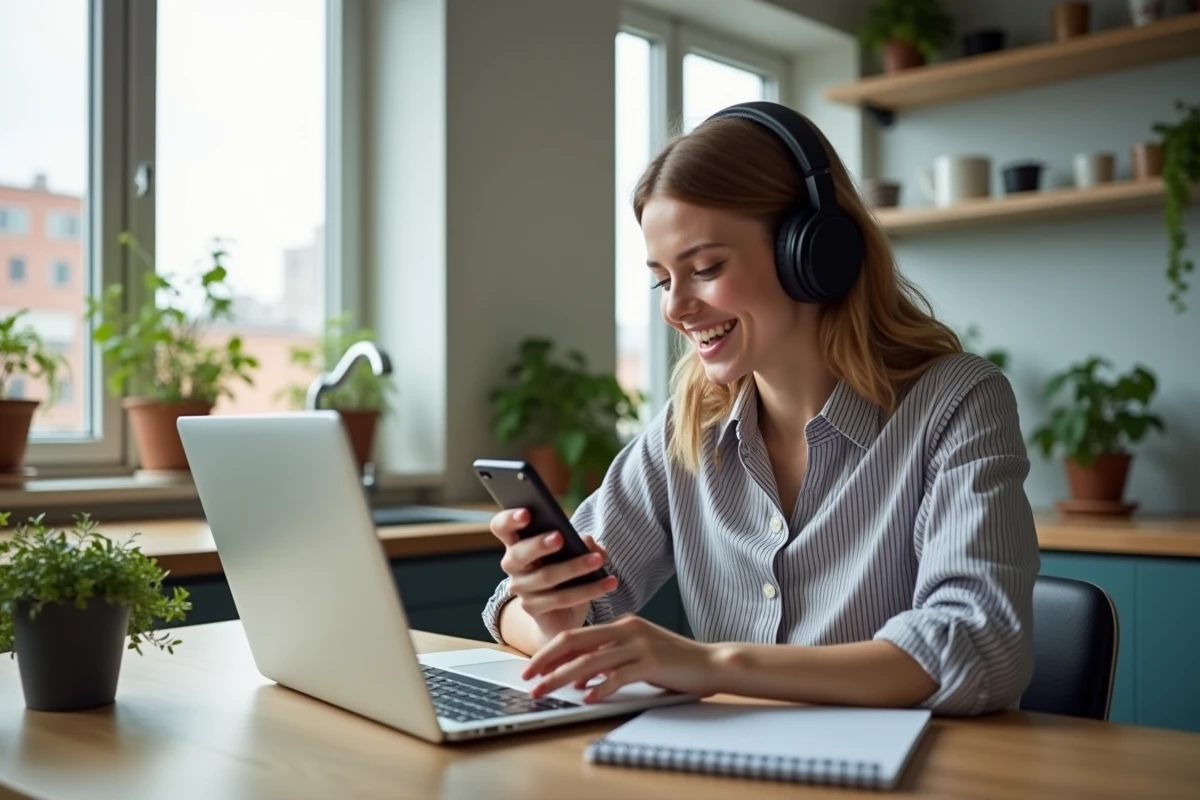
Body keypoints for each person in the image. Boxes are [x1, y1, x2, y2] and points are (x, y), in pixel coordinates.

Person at [480, 101, 1040, 717]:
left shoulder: (957, 402)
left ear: (813, 253)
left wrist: (716, 664)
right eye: (664, 280)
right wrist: (554, 617)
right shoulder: (688, 426)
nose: (675, 309)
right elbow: (512, 608)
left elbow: (981, 647)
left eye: (706, 268)